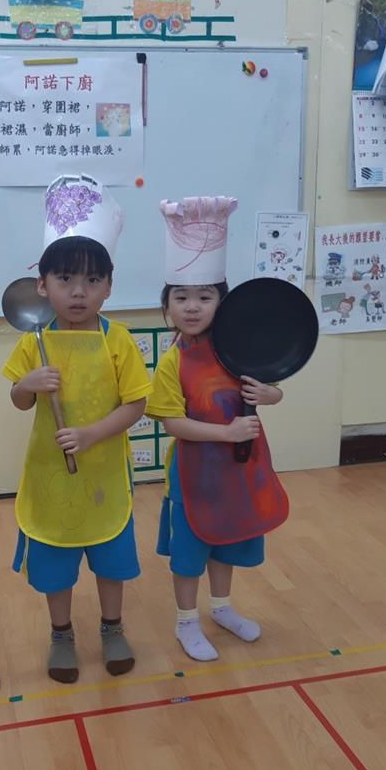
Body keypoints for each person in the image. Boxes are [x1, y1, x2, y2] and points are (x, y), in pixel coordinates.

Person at [2, 175, 150, 684]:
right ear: (43, 285)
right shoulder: (34, 340)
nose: (79, 291)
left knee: (111, 560)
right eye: (65, 279)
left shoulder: (119, 340)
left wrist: (90, 435)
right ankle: (61, 634)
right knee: (56, 563)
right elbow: (19, 401)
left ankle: (112, 628)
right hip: (50, 475)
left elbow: (136, 404)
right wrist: (27, 384)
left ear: (109, 285)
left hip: (105, 474)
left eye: (92, 280)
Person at [146, 196, 288, 661]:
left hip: (239, 471)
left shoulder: (240, 350)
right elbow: (172, 421)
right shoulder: (172, 362)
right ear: (166, 305)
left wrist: (271, 395)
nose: (192, 307)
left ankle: (222, 608)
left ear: (223, 303)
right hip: (192, 478)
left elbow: (273, 390)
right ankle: (186, 621)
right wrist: (226, 434)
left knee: (227, 540)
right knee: (190, 553)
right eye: (181, 297)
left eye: (205, 297)